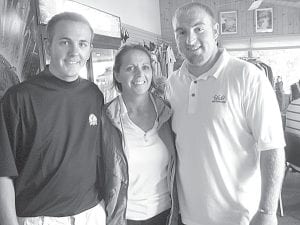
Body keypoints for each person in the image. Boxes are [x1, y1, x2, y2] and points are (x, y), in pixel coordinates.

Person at [167, 2, 286, 225]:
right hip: (189, 217)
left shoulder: (248, 77)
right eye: (181, 32)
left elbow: (273, 148)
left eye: (198, 28)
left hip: (240, 217)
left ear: (216, 31)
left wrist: (268, 211)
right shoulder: (173, 83)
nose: (190, 40)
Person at [0, 12, 105, 225]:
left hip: (90, 213)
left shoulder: (94, 95)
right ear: (48, 46)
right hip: (39, 218)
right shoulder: (18, 98)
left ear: (90, 50)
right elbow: (3, 172)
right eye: (65, 42)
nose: (75, 52)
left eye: (83, 44)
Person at [100, 44, 178, 225]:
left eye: (145, 67)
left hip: (166, 214)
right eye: (130, 68)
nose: (139, 74)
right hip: (125, 217)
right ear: (117, 75)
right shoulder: (106, 118)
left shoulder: (167, 112)